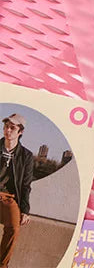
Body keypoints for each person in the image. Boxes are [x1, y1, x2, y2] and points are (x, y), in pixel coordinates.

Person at [0, 114, 32, 267]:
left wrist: (25, 210)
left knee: (14, 228)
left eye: (12, 128)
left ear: (20, 132)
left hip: (9, 198)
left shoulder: (26, 156)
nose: (8, 130)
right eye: (6, 126)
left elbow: (26, 185)